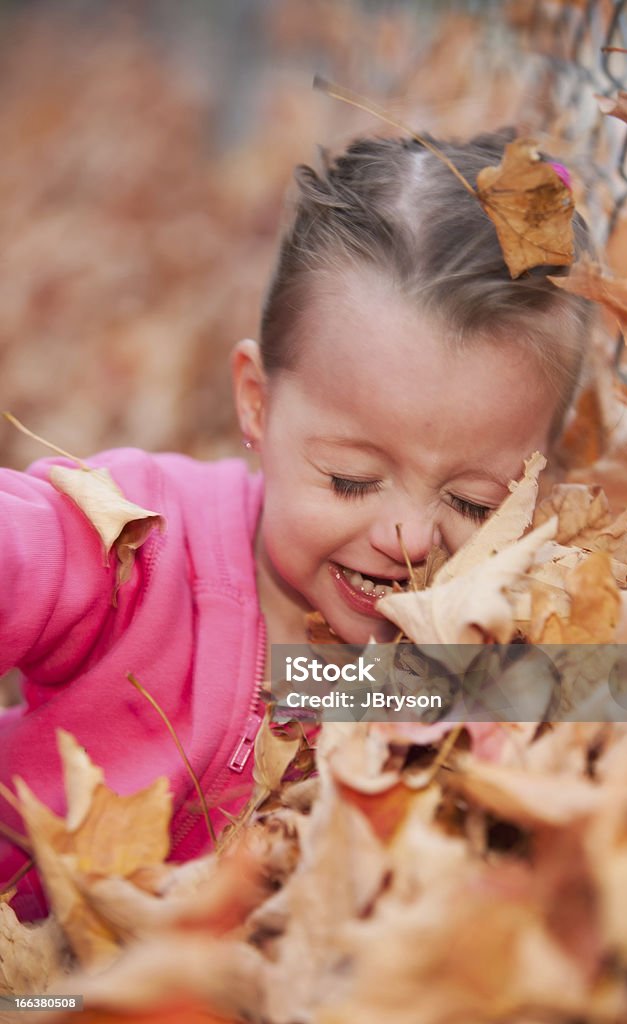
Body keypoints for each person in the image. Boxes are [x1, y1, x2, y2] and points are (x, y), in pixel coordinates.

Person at [0, 130, 594, 919]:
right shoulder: (142, 541)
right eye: (352, 480)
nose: (410, 538)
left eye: (472, 503)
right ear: (258, 402)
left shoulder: (482, 660)